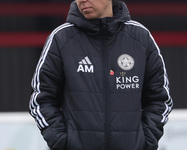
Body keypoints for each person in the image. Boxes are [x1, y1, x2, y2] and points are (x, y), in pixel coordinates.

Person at [29, 0, 173, 150]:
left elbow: (160, 98)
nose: (82, 1)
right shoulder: (61, 38)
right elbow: (41, 98)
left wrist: (146, 141)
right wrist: (61, 142)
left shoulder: (141, 38)